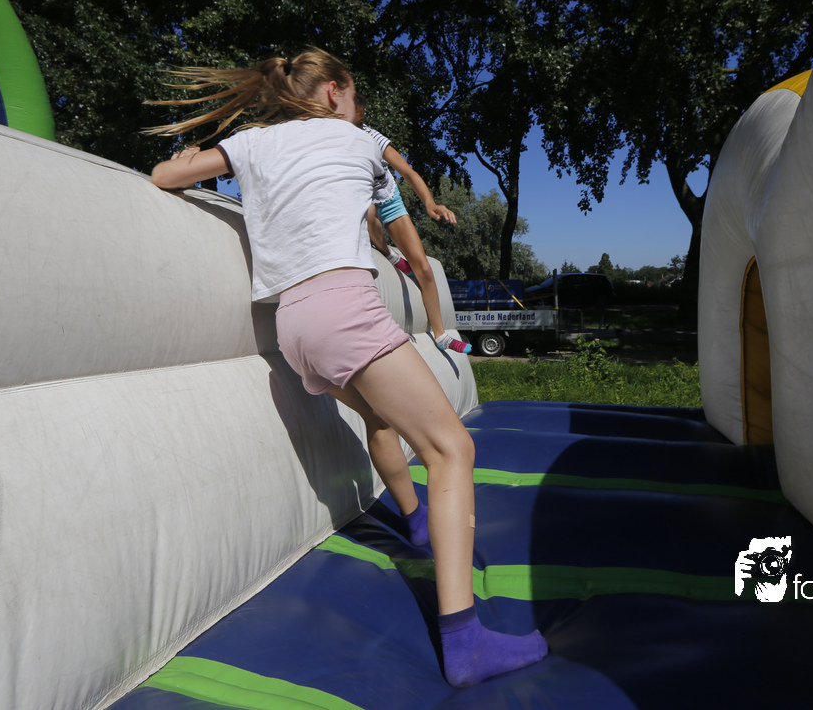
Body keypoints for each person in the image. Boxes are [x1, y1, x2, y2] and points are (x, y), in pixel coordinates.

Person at [145, 48, 547, 687]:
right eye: (356, 96)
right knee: (452, 450)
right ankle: (465, 642)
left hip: (295, 326)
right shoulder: (356, 138)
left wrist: (200, 156)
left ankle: (417, 520)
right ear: (334, 91)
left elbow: (167, 176)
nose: (360, 109)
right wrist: (423, 204)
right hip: (344, 308)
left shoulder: (253, 143)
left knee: (381, 419)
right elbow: (397, 189)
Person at [352, 90, 471, 355]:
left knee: (424, 269)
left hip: (387, 197)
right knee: (369, 214)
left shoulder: (372, 137)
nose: (359, 125)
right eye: (354, 120)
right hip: (362, 199)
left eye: (361, 120)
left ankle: (440, 334)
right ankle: (386, 251)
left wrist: (430, 203)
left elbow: (408, 171)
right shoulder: (332, 138)